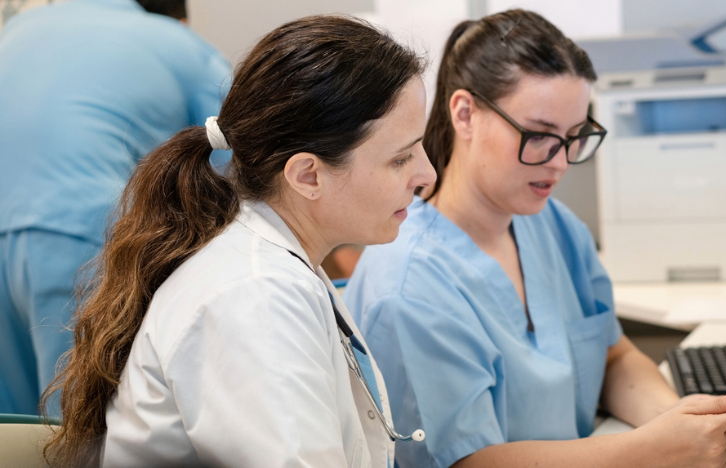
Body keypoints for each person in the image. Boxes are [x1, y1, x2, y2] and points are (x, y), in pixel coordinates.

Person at [343, 9, 726, 468]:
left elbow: (613, 356)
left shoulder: (553, 225)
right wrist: (652, 449)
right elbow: (469, 462)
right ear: (465, 114)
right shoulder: (411, 287)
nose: (560, 163)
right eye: (540, 135)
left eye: (574, 136)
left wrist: (681, 424)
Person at [41, 15, 435, 468]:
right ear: (307, 175)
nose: (427, 175)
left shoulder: (272, 263)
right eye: (401, 157)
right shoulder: (254, 295)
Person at [0, 0, 230, 415]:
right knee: (81, 426)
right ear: (176, 16)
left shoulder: (18, 29)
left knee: (14, 429)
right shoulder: (177, 43)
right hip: (79, 233)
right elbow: (258, 152)